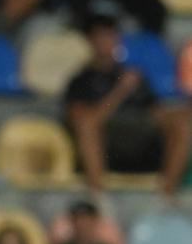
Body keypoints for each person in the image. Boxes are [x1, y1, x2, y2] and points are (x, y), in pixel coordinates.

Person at [63, 13, 191, 197]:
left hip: (141, 139)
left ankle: (166, 196)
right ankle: (98, 196)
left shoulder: (133, 74)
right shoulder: (81, 80)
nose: (106, 42)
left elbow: (155, 111)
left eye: (110, 35)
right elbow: (88, 120)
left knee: (181, 123)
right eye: (101, 36)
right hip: (109, 142)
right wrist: (120, 91)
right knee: (85, 125)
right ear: (90, 41)